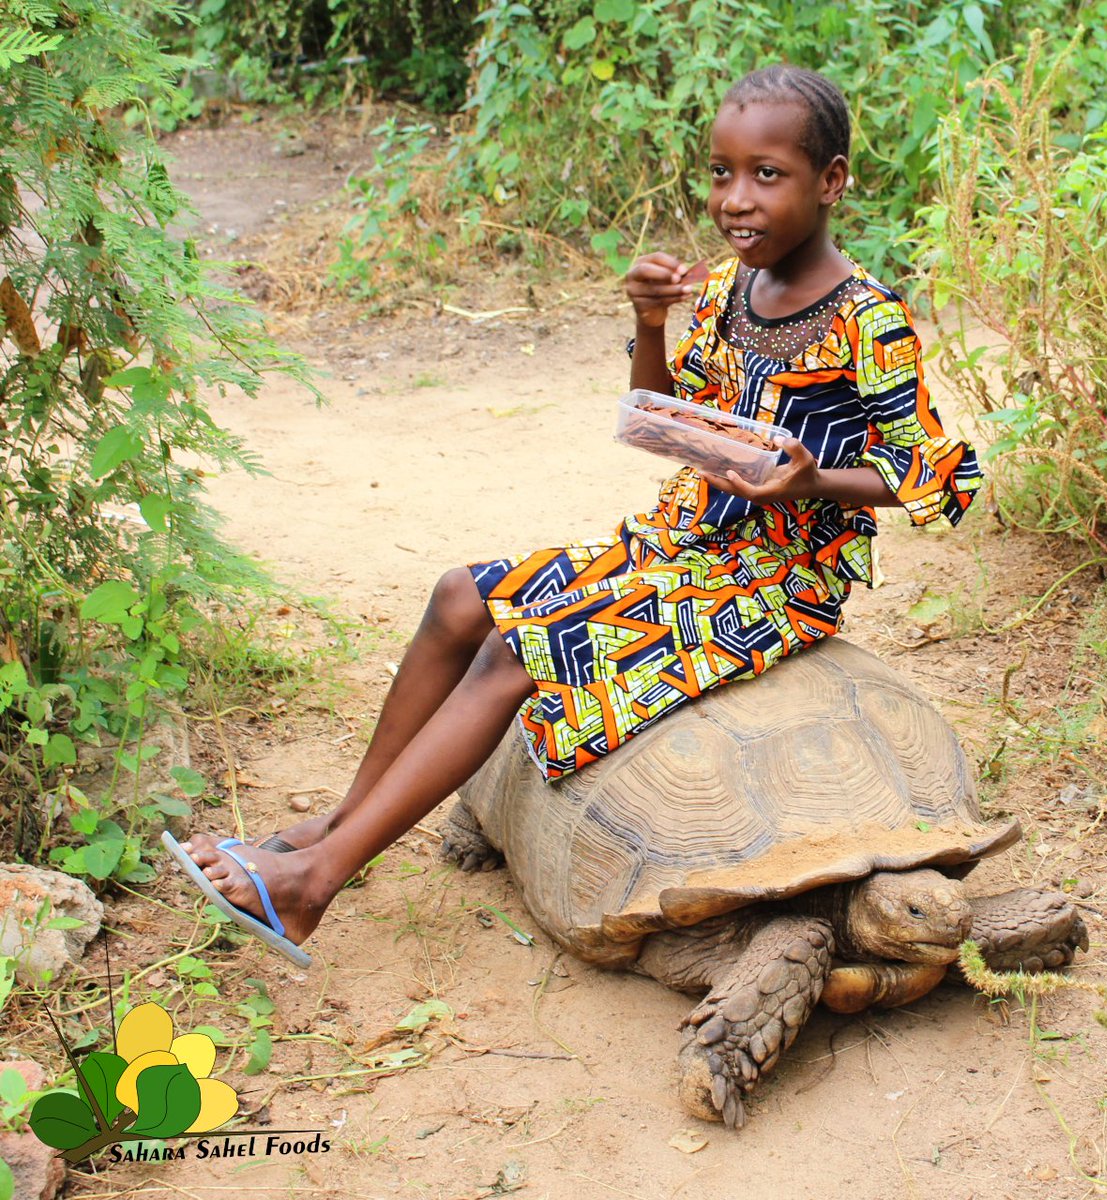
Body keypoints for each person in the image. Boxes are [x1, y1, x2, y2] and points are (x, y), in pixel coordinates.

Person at [165, 65, 981, 965]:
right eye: (719, 172)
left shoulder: (869, 321)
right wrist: (647, 325)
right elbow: (664, 426)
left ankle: (312, 885)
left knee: (523, 645)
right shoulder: (720, 292)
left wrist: (812, 482)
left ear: (830, 180)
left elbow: (942, 479)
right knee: (456, 598)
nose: (734, 200)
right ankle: (339, 823)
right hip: (676, 546)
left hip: (775, 582)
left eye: (766, 174)